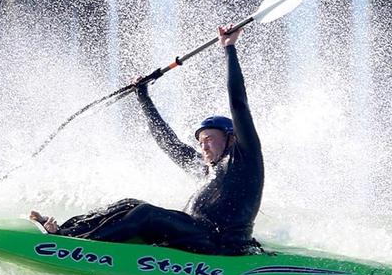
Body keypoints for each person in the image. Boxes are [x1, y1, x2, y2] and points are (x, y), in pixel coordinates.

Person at [29, 23, 263, 255]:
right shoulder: (207, 168)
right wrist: (143, 98)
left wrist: (229, 48)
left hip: (222, 242)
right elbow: (168, 143)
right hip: (196, 235)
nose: (204, 146)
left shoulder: (244, 158)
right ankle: (67, 231)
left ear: (231, 139)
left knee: (146, 214)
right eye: (201, 142)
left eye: (209, 139)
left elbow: (238, 104)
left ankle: (74, 248)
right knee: (129, 204)